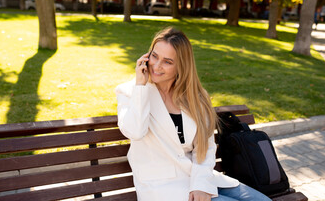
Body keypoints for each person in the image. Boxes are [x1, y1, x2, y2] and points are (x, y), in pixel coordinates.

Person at [115, 27, 271, 201]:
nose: (156, 66)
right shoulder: (131, 91)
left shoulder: (195, 97)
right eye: (154, 56)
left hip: (200, 177)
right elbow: (135, 132)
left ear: (181, 66)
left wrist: (200, 185)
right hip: (162, 187)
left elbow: (205, 147)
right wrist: (140, 88)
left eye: (167, 62)